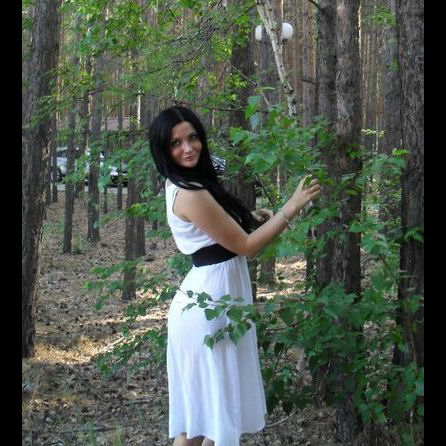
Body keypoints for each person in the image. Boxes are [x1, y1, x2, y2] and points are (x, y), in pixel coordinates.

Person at [149, 106, 320, 446]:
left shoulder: (184, 183)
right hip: (211, 307)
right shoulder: (190, 193)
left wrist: (249, 217)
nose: (188, 148)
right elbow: (246, 246)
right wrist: (292, 206)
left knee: (201, 422)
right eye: (176, 143)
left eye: (193, 137)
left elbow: (215, 230)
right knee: (212, 420)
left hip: (210, 297)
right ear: (163, 150)